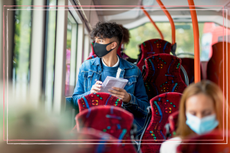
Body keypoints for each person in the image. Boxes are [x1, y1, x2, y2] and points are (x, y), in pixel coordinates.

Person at [72, 22, 149, 134]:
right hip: (92, 125)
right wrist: (90, 94)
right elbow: (74, 100)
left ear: (113, 45)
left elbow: (145, 109)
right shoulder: (86, 67)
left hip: (121, 126)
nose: (96, 45)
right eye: (96, 41)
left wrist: (128, 98)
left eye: (100, 41)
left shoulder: (133, 71)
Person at [160, 80, 224, 153]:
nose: (199, 119)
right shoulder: (171, 147)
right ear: (185, 114)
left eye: (207, 113)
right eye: (193, 113)